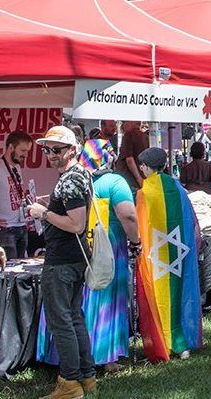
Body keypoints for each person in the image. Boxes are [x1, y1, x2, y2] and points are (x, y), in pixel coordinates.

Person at [39, 138, 142, 370]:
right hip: (109, 247)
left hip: (79, 247)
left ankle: (68, 360)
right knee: (107, 301)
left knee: (75, 308)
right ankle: (105, 357)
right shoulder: (115, 182)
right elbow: (128, 215)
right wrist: (136, 241)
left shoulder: (75, 179)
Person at [26, 126, 96, 399]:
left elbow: (76, 224)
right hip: (74, 259)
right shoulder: (79, 175)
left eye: (56, 149)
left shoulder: (69, 180)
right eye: (47, 149)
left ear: (71, 150)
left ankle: (69, 383)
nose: (50, 155)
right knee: (74, 318)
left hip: (63, 261)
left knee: (62, 322)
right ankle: (86, 377)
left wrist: (44, 213)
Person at [0, 131, 33, 261]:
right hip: (5, 229)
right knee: (8, 272)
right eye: (23, 150)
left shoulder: (17, 166)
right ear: (11, 147)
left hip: (21, 226)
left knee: (20, 270)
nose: (25, 154)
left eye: (28, 151)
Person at [115, 121, 149, 190]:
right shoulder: (146, 137)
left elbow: (129, 160)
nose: (122, 126)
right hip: (143, 178)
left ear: (131, 122)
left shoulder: (129, 135)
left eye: (124, 122)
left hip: (129, 181)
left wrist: (139, 179)